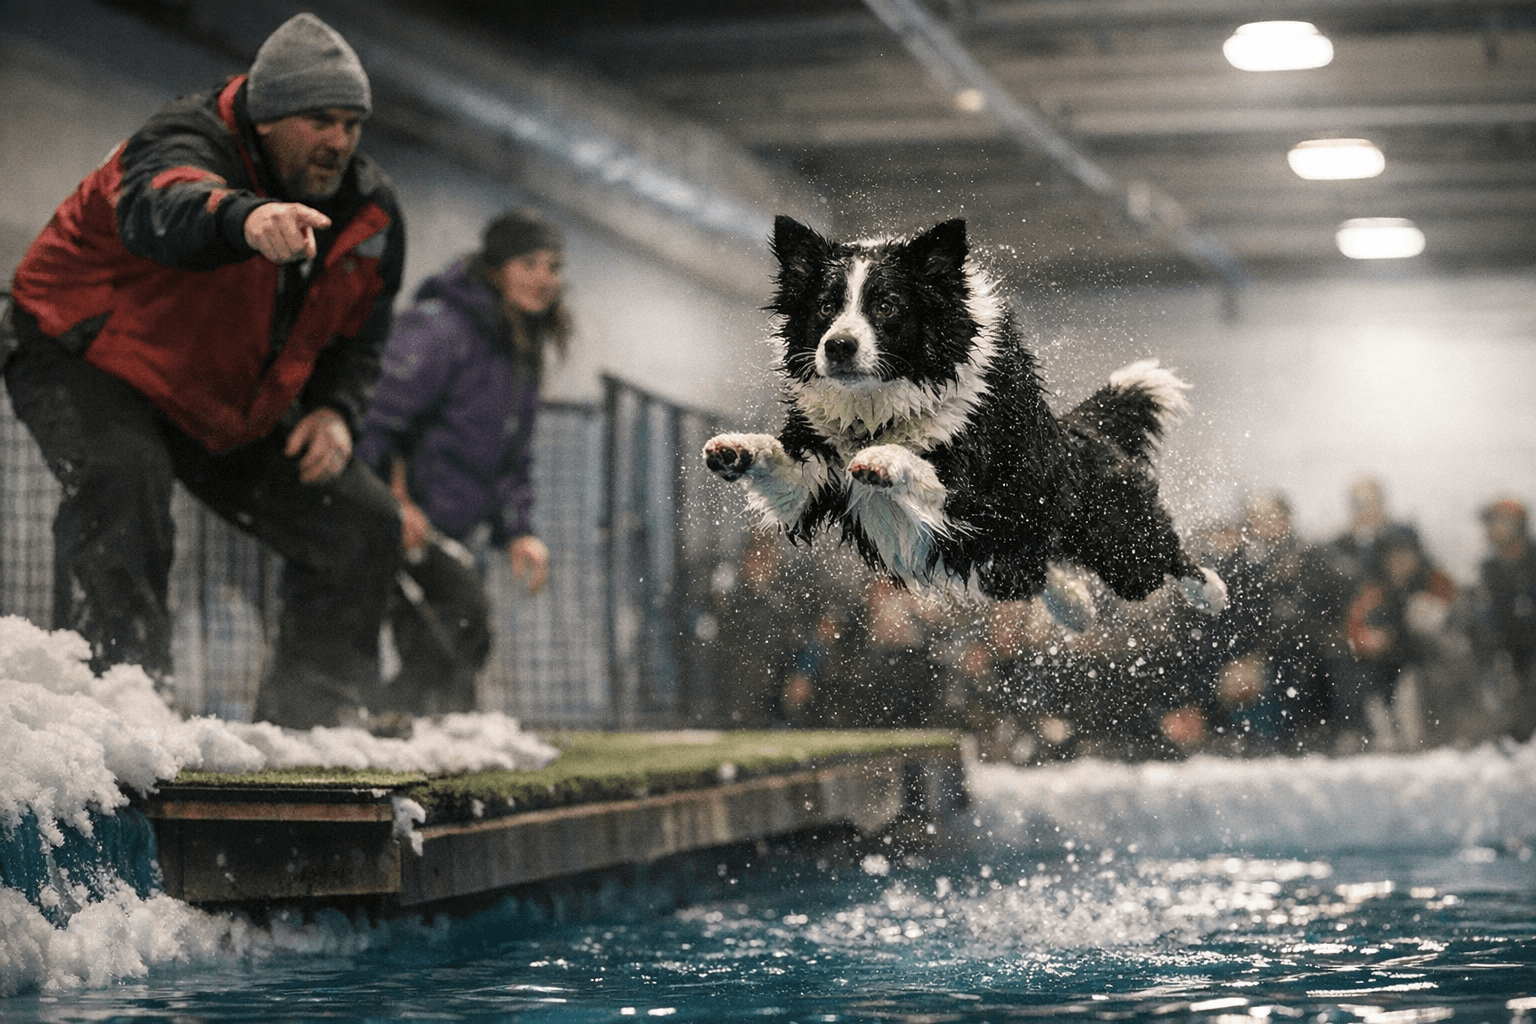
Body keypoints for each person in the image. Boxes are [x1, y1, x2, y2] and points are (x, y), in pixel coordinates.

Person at [3, 14, 405, 729]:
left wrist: (337, 409)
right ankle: (120, 709)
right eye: (320, 120)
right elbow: (165, 200)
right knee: (124, 479)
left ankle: (310, 719)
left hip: (213, 391)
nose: (340, 141)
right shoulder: (182, 139)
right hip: (83, 353)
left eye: (352, 122)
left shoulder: (368, 213)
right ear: (268, 115)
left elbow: (360, 331)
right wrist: (242, 220)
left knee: (360, 518)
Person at [355, 209, 569, 718]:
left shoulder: (518, 347)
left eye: (554, 266)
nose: (545, 279)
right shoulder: (439, 328)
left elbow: (513, 456)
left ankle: (423, 732)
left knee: (459, 644)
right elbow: (379, 419)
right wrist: (392, 502)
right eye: (529, 263)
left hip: (451, 528)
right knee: (455, 622)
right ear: (497, 268)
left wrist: (518, 529)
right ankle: (381, 723)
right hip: (400, 521)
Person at [1472, 497, 1536, 741]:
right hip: (1507, 649)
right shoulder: (1489, 568)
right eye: (1491, 522)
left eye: (1502, 521)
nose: (1495, 528)